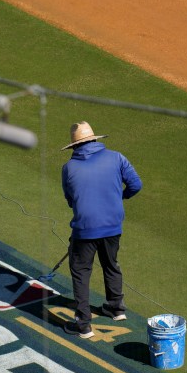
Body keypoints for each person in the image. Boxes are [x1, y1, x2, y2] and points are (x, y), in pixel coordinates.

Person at [61, 121, 142, 338]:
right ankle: (116, 309)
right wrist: (118, 197)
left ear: (75, 146)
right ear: (95, 140)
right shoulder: (117, 157)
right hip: (112, 226)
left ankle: (83, 324)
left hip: (85, 230)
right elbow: (136, 185)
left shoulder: (69, 168)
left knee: (80, 273)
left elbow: (71, 200)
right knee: (111, 264)